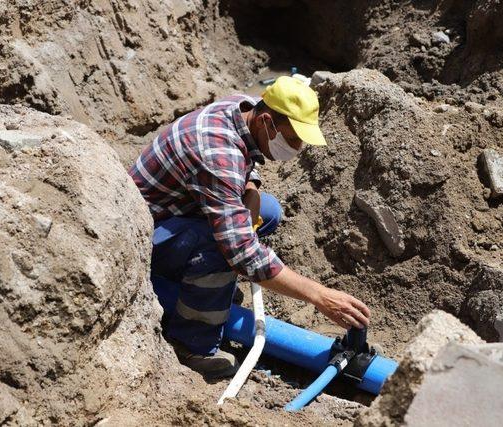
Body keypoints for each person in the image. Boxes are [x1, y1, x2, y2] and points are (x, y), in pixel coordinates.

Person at [129, 76, 370, 379]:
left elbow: (247, 159)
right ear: (267, 121)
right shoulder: (216, 152)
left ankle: (203, 287)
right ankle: (190, 343)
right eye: (293, 139)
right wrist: (318, 295)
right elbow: (242, 254)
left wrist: (252, 190)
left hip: (180, 207)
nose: (296, 149)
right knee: (222, 248)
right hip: (144, 235)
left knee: (266, 211)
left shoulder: (243, 107)